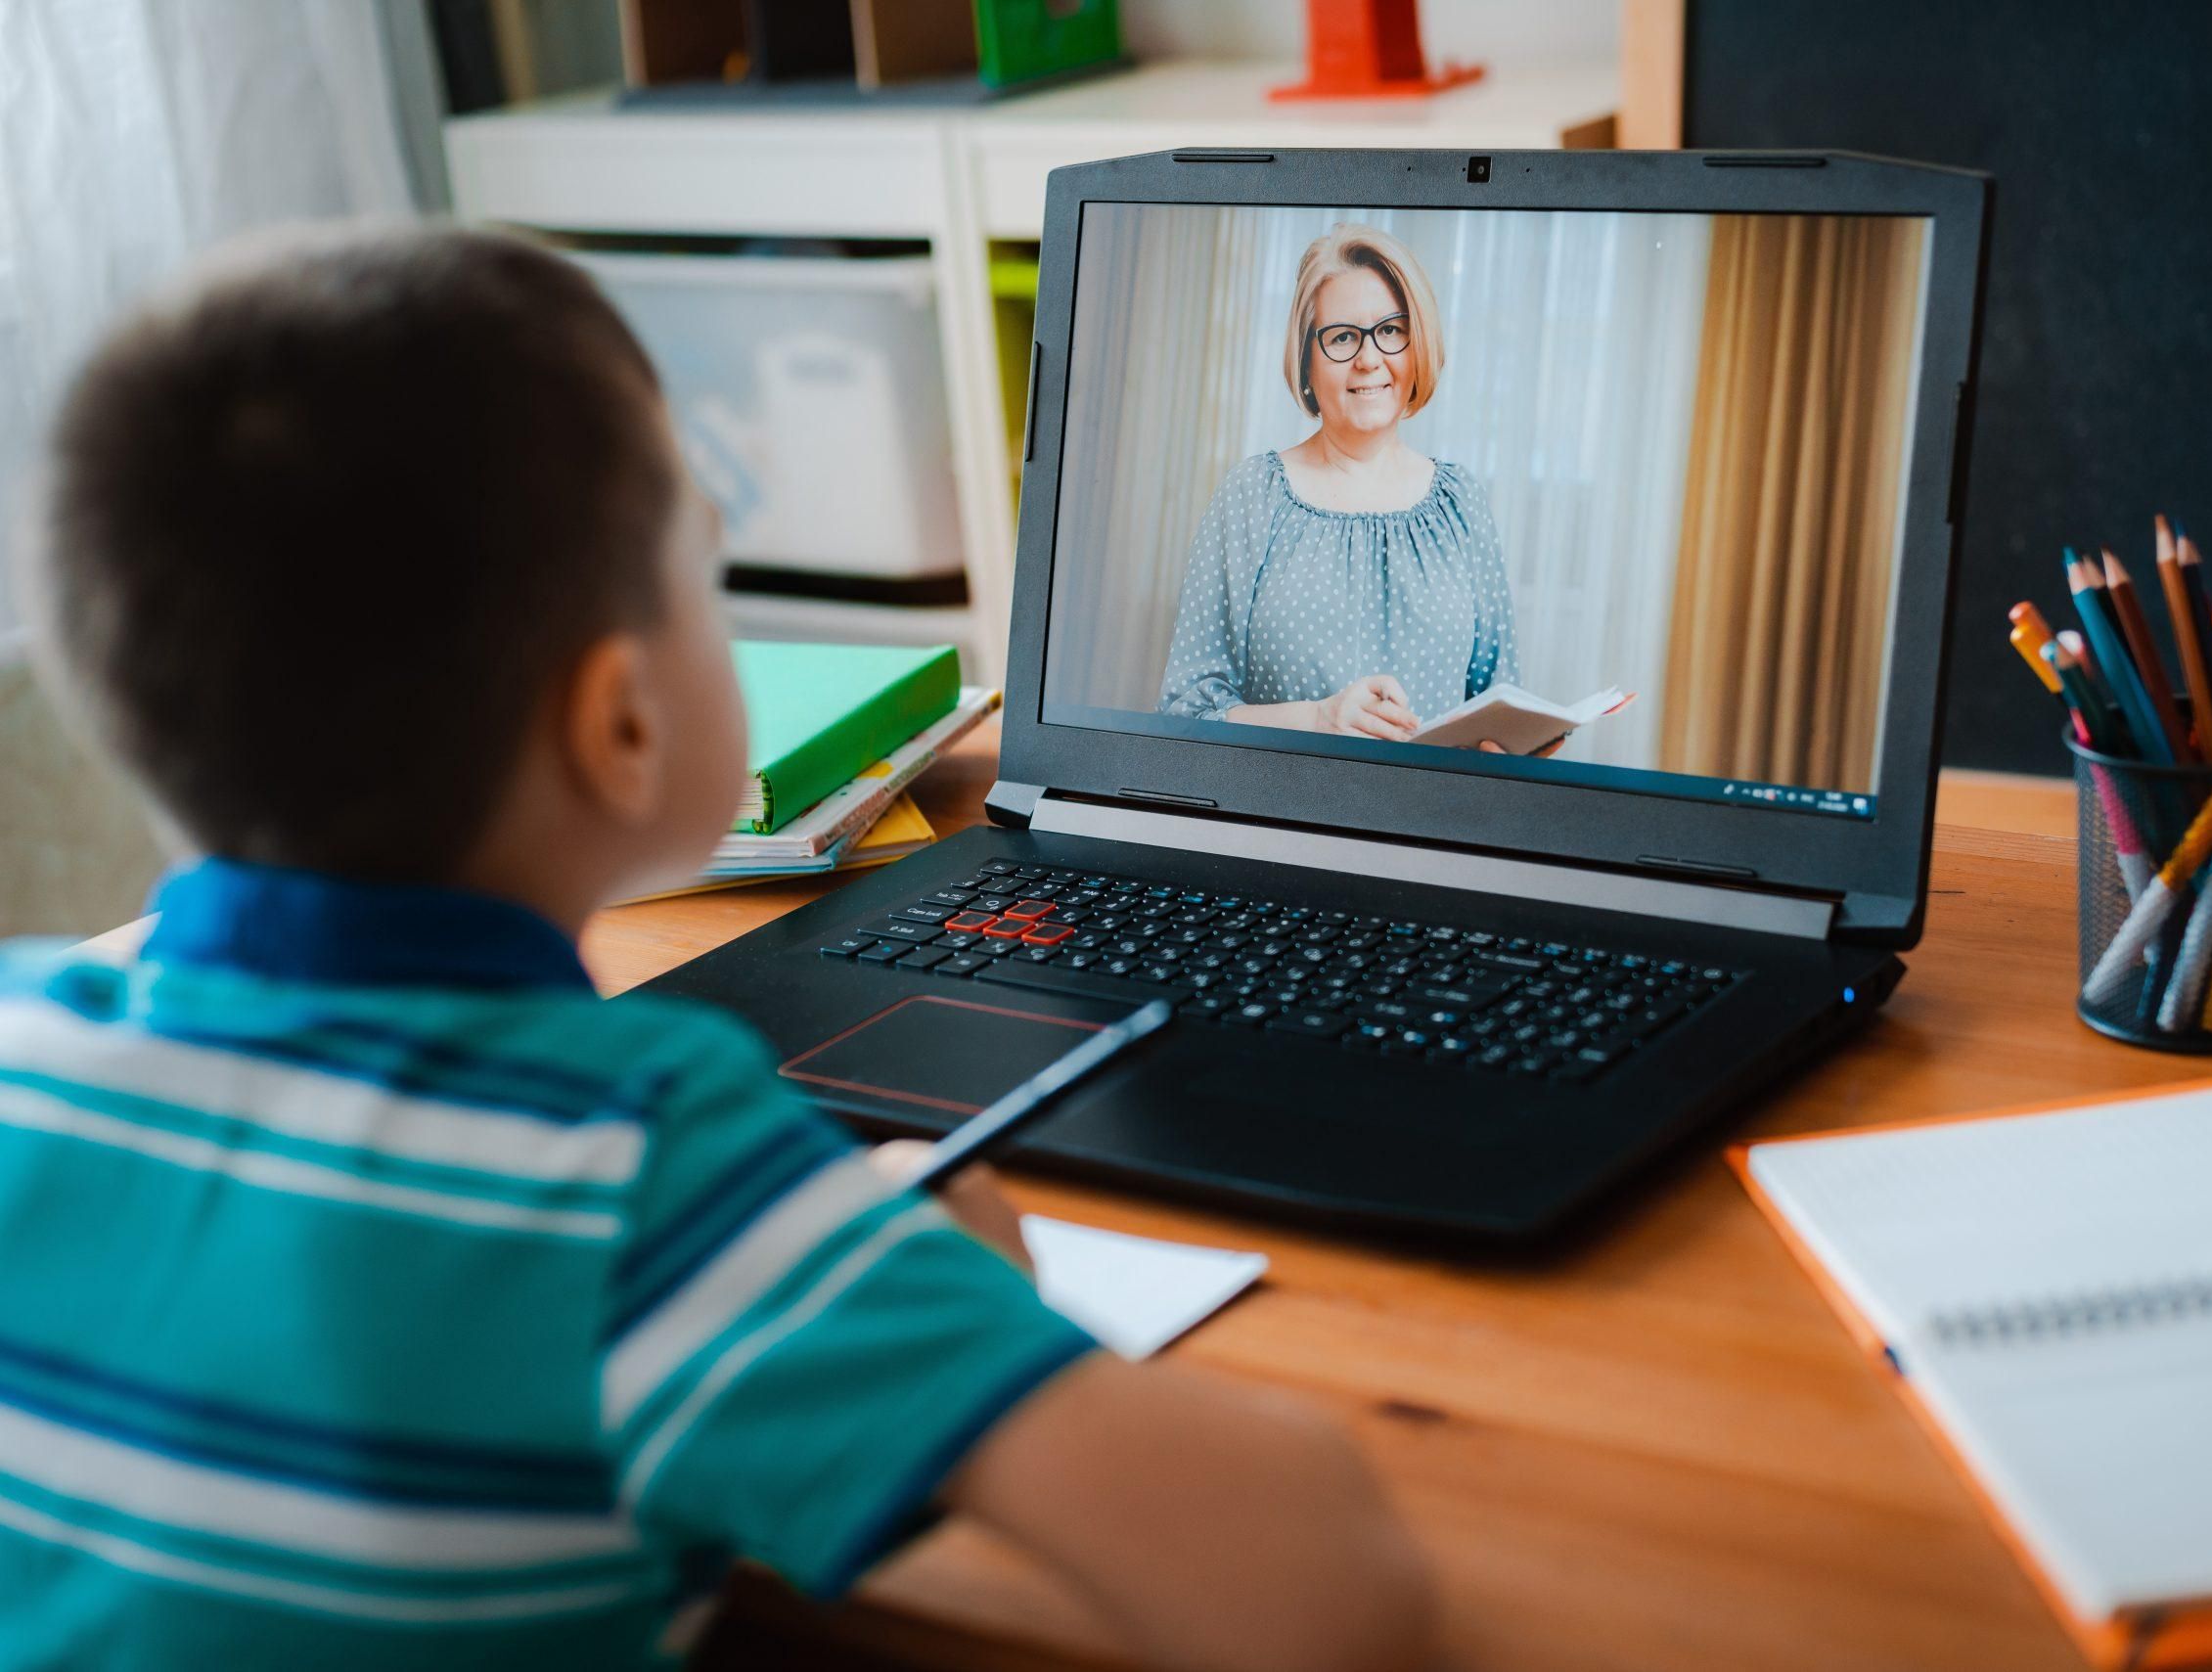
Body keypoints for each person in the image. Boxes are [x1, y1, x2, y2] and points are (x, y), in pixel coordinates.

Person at [2, 225, 1433, 1672]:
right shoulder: (643, 1182)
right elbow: (1334, 1594)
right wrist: (970, 1307)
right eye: (706, 567)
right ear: (619, 723)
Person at [1157, 223, 1523, 750]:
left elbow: (1497, 699)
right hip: (1281, 821)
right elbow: (1183, 714)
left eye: (1391, 331)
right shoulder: (1251, 495)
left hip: (1430, 826)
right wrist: (1319, 719)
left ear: (1418, 344)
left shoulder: (1461, 501)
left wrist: (1515, 744)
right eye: (1343, 337)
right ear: (1306, 359)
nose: (1369, 359)